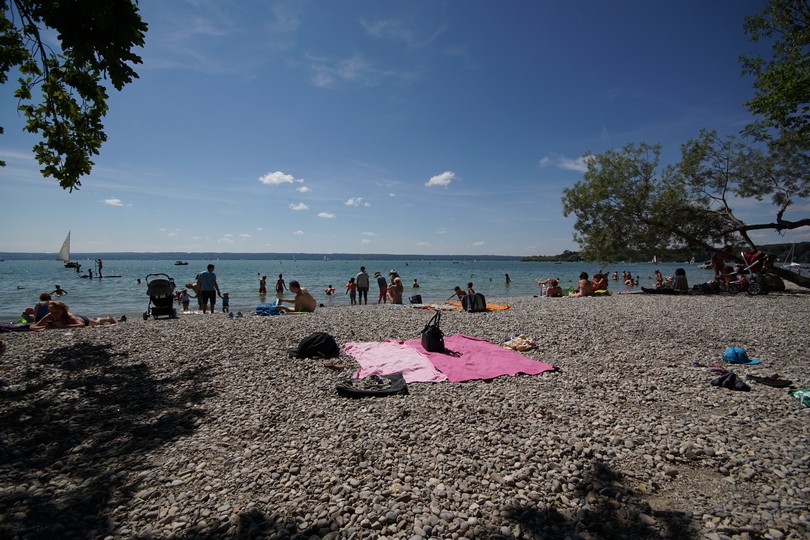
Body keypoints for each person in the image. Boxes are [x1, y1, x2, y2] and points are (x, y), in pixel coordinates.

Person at [31, 301, 116, 331]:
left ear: (63, 310)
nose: (54, 315)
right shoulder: (51, 315)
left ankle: (108, 318)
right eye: (52, 312)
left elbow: (81, 325)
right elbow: (37, 325)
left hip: (84, 320)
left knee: (97, 322)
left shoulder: (70, 317)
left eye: (56, 312)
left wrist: (64, 326)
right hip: (75, 321)